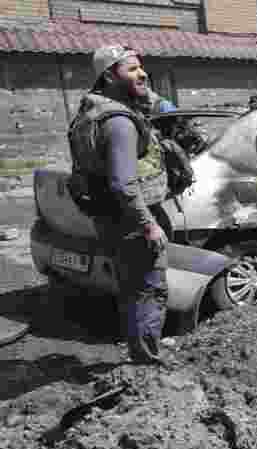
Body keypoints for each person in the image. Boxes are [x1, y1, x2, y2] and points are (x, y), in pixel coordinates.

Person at [67, 46, 175, 365]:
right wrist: (149, 224)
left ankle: (140, 352)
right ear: (109, 76)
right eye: (132, 69)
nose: (142, 74)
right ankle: (148, 363)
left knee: (131, 290)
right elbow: (124, 184)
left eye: (142, 67)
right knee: (149, 289)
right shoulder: (119, 123)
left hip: (110, 216)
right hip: (130, 219)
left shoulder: (91, 112)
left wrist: (146, 94)